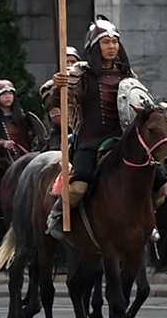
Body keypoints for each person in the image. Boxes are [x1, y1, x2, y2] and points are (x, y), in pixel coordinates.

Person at [47, 20, 136, 236]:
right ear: (96, 46)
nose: (112, 46)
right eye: (106, 42)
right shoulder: (82, 73)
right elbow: (56, 102)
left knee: (160, 183)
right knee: (80, 182)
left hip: (122, 140)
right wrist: (59, 87)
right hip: (91, 140)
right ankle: (57, 216)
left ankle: (146, 222)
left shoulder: (127, 74)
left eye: (115, 42)